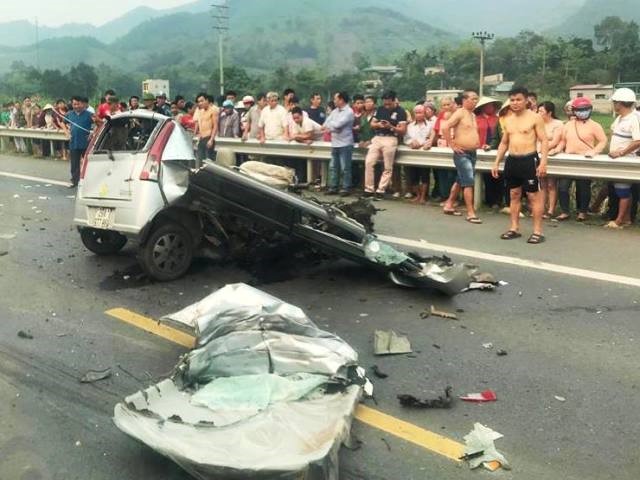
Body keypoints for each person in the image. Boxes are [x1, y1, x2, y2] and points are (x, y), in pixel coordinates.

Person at [491, 86, 548, 244]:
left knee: (533, 196)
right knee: (514, 195)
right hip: (512, 160)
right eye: (512, 100)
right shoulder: (508, 120)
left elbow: (544, 140)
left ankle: (537, 231)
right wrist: (496, 162)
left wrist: (543, 162)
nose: (515, 103)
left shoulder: (535, 118)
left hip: (529, 160)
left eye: (518, 100)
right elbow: (503, 143)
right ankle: (514, 228)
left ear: (526, 100)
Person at [554, 97, 607, 222]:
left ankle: (582, 211)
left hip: (585, 160)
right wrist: (557, 150)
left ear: (590, 110)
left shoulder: (595, 126)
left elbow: (603, 141)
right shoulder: (568, 125)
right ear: (574, 111)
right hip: (568, 159)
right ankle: (565, 211)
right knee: (562, 186)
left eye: (585, 109)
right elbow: (563, 140)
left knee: (583, 187)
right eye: (580, 110)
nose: (583, 112)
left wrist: (594, 152)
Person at [441, 90, 482, 223]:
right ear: (465, 100)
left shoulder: (473, 115)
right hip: (462, 153)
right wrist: (452, 145)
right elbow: (445, 127)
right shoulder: (460, 112)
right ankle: (470, 212)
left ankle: (449, 204)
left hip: (472, 152)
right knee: (468, 181)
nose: (475, 101)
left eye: (476, 99)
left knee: (461, 180)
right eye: (473, 99)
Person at [605, 88, 640, 228]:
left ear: (620, 103)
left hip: (626, 160)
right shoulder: (620, 118)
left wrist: (621, 153)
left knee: (623, 191)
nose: (613, 105)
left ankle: (619, 220)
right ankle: (626, 218)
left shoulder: (634, 118)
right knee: (620, 190)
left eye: (615, 102)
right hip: (617, 160)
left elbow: (638, 141)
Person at [364, 90, 407, 198]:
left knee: (387, 166)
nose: (386, 105)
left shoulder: (401, 111)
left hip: (391, 138)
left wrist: (390, 127)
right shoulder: (380, 109)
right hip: (378, 137)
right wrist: (378, 124)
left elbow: (403, 130)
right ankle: (368, 188)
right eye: (385, 103)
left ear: (394, 101)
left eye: (389, 103)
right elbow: (372, 124)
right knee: (369, 162)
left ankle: (381, 189)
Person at [323, 92, 355, 196]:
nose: (334, 101)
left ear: (341, 100)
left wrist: (330, 127)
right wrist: (331, 126)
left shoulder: (349, 112)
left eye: (335, 99)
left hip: (345, 143)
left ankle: (346, 188)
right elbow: (326, 123)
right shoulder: (335, 111)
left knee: (345, 167)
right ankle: (333, 187)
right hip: (335, 143)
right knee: (333, 167)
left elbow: (338, 125)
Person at [537, 101, 564, 219]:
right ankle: (542, 208)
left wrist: (542, 149)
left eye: (541, 111)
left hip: (551, 155)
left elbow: (555, 141)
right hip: (539, 154)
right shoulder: (538, 123)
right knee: (542, 183)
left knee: (551, 184)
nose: (539, 113)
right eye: (538, 111)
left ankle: (551, 209)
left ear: (549, 112)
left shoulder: (558, 124)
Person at [403, 104, 434, 204]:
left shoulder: (430, 125)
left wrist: (423, 144)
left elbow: (431, 139)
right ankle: (418, 195)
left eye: (420, 112)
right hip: (412, 153)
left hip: (424, 153)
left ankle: (424, 196)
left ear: (424, 113)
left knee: (424, 175)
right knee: (413, 176)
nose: (418, 115)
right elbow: (406, 138)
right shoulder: (410, 126)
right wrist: (411, 142)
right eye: (416, 113)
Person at [61, 96, 93, 188]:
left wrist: (92, 132)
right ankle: (75, 181)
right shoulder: (69, 114)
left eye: (78, 104)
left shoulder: (89, 114)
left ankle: (87, 181)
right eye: (74, 104)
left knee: (87, 163)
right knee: (74, 164)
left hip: (86, 142)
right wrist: (66, 133)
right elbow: (62, 122)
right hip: (73, 141)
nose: (76, 106)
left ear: (82, 104)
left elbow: (99, 123)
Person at [194, 92, 219, 161]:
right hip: (201, 138)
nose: (200, 103)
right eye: (199, 102)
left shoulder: (213, 110)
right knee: (199, 159)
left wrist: (211, 139)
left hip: (209, 138)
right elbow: (200, 126)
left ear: (207, 100)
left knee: (208, 162)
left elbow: (215, 126)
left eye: (202, 101)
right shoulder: (200, 111)